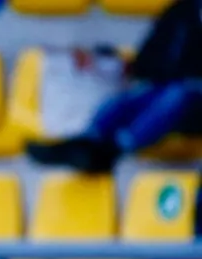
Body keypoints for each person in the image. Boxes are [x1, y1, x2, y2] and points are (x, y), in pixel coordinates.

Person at [25, 0, 202, 173]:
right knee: (126, 100)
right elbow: (148, 57)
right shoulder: (182, 10)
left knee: (179, 93)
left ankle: (112, 150)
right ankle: (88, 141)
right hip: (165, 88)